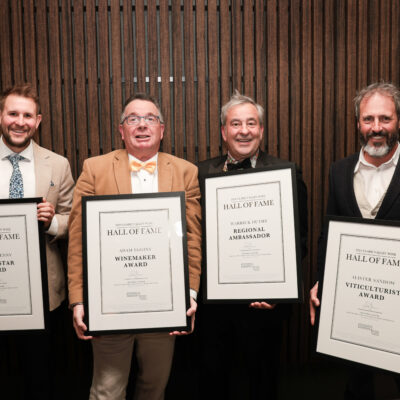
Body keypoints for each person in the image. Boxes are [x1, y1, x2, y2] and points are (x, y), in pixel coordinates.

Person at [68, 93, 201, 400]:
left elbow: (192, 239)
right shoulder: (94, 169)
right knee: (106, 391)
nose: (142, 125)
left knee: (154, 388)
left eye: (150, 118)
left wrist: (189, 294)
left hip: (164, 306)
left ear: (162, 129)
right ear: (122, 130)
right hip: (109, 307)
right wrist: (78, 300)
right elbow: (78, 240)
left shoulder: (185, 172)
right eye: (133, 119)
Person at [197, 90, 308, 399]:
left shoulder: (287, 172)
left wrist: (279, 290)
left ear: (261, 130)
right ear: (223, 131)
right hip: (214, 309)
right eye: (235, 124)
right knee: (215, 381)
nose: (243, 130)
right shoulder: (201, 173)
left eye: (251, 123)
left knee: (261, 382)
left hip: (265, 306)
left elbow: (299, 240)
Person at [310, 82, 400, 399]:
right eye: (368, 119)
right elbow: (328, 234)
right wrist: (322, 282)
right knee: (357, 385)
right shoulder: (339, 171)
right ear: (357, 124)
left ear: (398, 121)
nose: (376, 128)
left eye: (385, 119)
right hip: (354, 305)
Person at [0, 83, 74, 399]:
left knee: (40, 377)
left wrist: (50, 221)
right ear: (1, 116)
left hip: (43, 295)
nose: (20, 121)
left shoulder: (57, 164)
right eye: (13, 113)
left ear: (38, 120)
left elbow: (74, 220)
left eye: (27, 115)